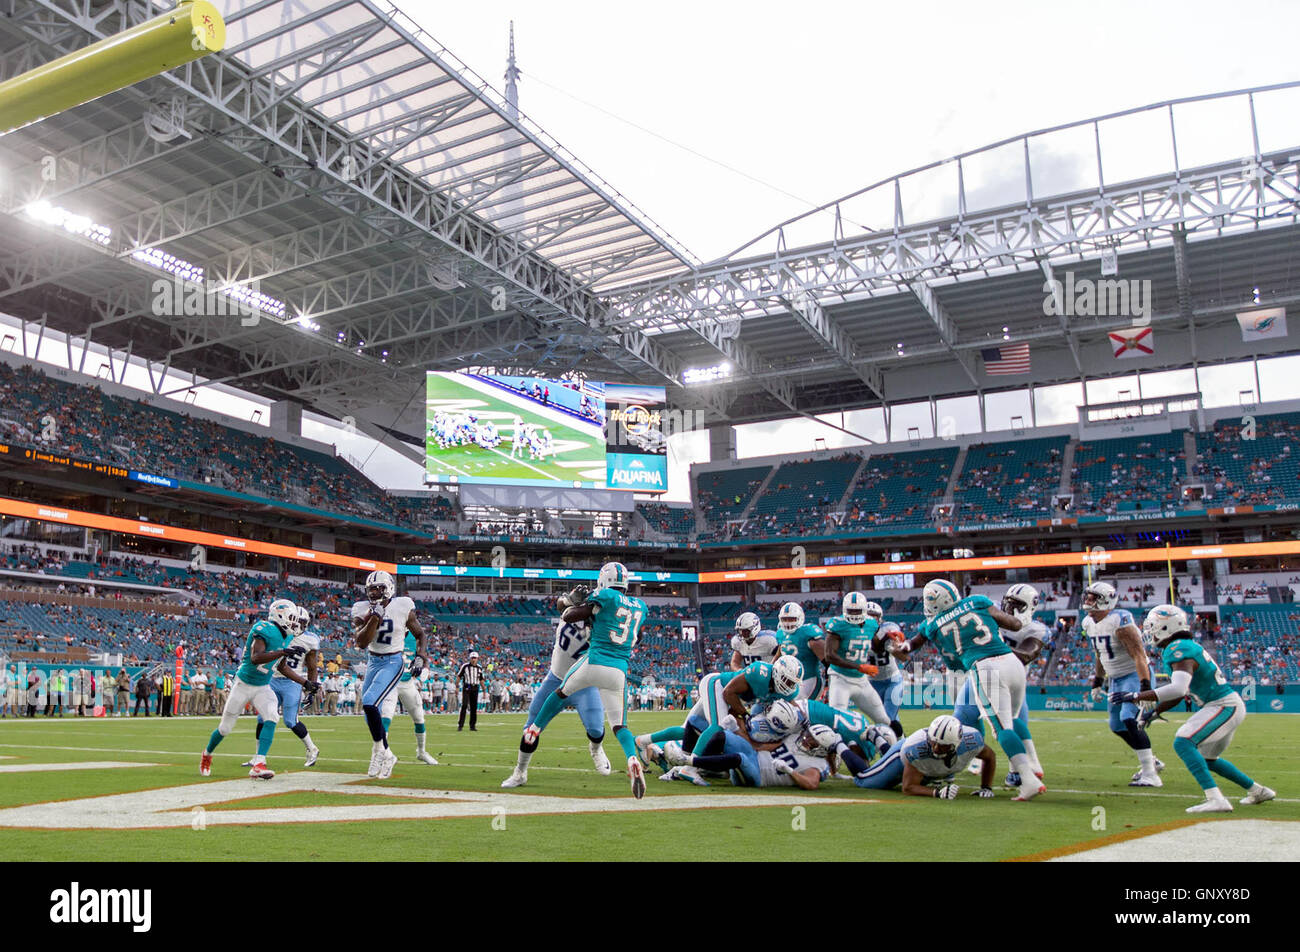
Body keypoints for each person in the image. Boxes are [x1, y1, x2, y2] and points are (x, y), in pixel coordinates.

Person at [889, 579, 1044, 801]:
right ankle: (1032, 768)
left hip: (986, 668)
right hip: (1013, 662)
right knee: (1014, 719)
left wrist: (899, 648)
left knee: (1002, 729)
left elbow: (909, 646)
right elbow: (1015, 624)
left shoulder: (932, 625)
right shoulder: (977, 601)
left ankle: (1028, 780)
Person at [1115, 605, 1275, 814]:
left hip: (1223, 705)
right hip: (1224, 705)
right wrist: (1153, 713)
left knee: (1183, 742)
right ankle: (1258, 790)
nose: (1150, 632)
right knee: (1208, 759)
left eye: (1153, 627)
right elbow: (1181, 693)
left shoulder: (1177, 648)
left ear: (1166, 627)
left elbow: (1178, 688)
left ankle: (1215, 799)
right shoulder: (1181, 646)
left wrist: (1136, 695)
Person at [513, 562, 649, 798]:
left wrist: (581, 608)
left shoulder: (601, 599)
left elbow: (569, 614)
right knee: (619, 725)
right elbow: (561, 607)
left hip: (588, 673)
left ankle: (588, 747)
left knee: (592, 726)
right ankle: (520, 771)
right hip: (603, 672)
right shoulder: (637, 607)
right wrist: (571, 599)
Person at [503, 598, 611, 787]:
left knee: (596, 729)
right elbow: (562, 603)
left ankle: (596, 749)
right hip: (556, 680)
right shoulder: (570, 612)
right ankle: (520, 772)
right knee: (530, 731)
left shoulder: (603, 626)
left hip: (583, 685)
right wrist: (573, 602)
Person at [199, 598, 301, 780]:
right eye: (291, 617)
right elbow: (256, 657)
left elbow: (282, 666)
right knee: (225, 728)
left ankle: (259, 763)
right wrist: (281, 652)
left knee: (272, 716)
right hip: (243, 684)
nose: (294, 622)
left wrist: (305, 682)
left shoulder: (287, 636)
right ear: (280, 615)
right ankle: (207, 754)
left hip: (262, 686)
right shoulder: (264, 629)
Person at [1081, 580, 1163, 787]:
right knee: (1116, 725)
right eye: (1088, 597)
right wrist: (1097, 681)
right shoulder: (1088, 623)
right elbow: (1100, 654)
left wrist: (1145, 687)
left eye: (1093, 598)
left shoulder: (1120, 619)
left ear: (1105, 600)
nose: (1088, 601)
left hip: (1134, 675)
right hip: (1115, 679)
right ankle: (1151, 761)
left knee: (1129, 719)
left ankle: (1150, 775)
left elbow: (1139, 655)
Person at [352, 570, 429, 779]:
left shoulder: (403, 605)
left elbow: (420, 634)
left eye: (380, 588)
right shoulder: (361, 608)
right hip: (372, 661)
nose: (376, 592)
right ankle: (384, 752)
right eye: (372, 589)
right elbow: (361, 642)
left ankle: (382, 753)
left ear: (390, 588)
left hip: (393, 661)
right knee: (369, 714)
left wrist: (421, 656)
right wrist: (374, 617)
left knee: (369, 702)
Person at [247, 605, 321, 769]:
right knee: (262, 718)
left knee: (290, 721)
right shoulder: (279, 633)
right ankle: (258, 757)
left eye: (300, 622)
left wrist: (310, 689)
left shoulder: (310, 640)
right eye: (295, 621)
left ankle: (312, 748)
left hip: (293, 682)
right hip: (273, 679)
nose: (296, 625)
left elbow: (312, 667)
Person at [823, 592, 889, 725]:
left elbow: (878, 648)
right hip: (840, 679)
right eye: (850, 611)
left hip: (862, 681)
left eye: (857, 611)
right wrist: (859, 666)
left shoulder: (871, 624)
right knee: (837, 721)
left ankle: (899, 743)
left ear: (864, 610)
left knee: (884, 720)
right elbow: (829, 656)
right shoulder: (838, 624)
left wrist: (888, 637)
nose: (853, 614)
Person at [457, 652, 483, 731]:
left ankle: (472, 726)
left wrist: (484, 689)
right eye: (472, 658)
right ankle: (460, 725)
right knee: (464, 705)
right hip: (467, 687)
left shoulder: (479, 668)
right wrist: (457, 686)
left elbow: (481, 679)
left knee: (474, 707)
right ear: (470, 658)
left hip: (475, 687)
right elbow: (459, 676)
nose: (473, 659)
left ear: (477, 659)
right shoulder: (465, 666)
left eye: (475, 658)